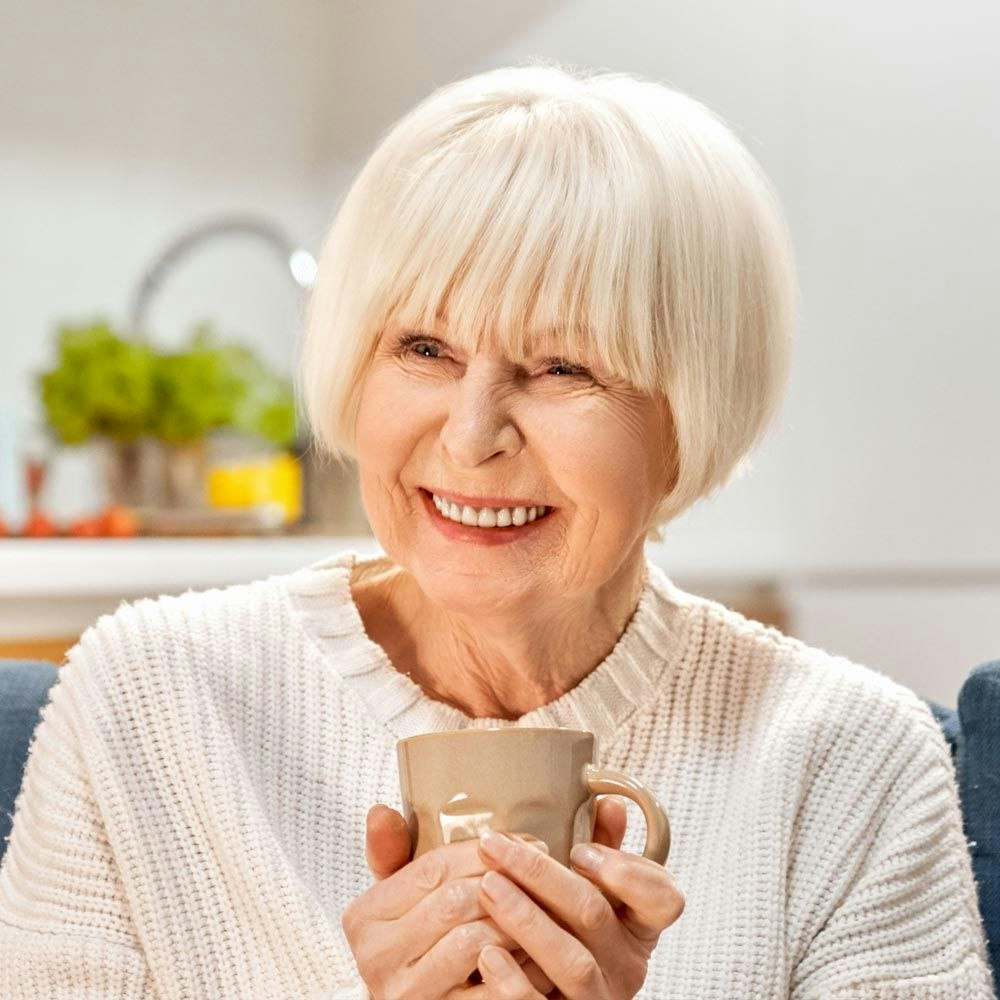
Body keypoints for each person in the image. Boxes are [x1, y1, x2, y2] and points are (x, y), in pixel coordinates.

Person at [0, 61, 993, 1000]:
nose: (472, 437)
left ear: (691, 412)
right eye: (424, 347)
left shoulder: (849, 761)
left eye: (564, 367)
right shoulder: (144, 702)